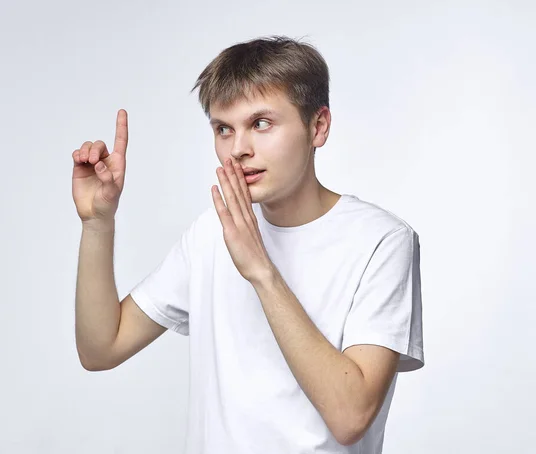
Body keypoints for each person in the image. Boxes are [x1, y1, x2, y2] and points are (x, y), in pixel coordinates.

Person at [72, 35, 424, 454]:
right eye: (223, 129)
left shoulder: (380, 241)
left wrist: (261, 271)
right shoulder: (210, 233)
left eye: (261, 123)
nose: (238, 149)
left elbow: (351, 418)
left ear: (318, 126)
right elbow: (100, 348)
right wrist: (97, 223)